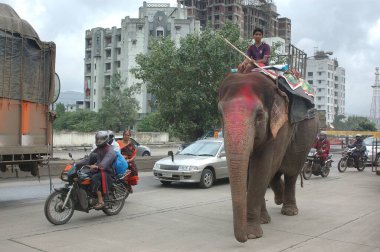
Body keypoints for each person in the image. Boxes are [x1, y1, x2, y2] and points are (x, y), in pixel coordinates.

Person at [77, 131, 116, 209]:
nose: (98, 141)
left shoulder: (110, 151)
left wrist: (98, 166)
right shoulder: (98, 149)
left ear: (105, 139)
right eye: (97, 139)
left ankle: (100, 201)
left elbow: (106, 162)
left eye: (100, 139)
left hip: (107, 172)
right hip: (98, 170)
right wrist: (77, 164)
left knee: (95, 178)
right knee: (83, 175)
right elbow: (88, 159)